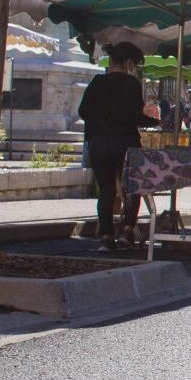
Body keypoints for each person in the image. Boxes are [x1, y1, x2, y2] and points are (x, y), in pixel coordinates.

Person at [77, 42, 148, 252]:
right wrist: (154, 121)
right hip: (125, 141)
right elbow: (136, 116)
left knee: (106, 190)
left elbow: (83, 111)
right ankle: (127, 231)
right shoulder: (131, 84)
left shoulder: (97, 82)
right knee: (132, 188)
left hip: (98, 142)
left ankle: (107, 236)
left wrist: (100, 123)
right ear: (128, 63)